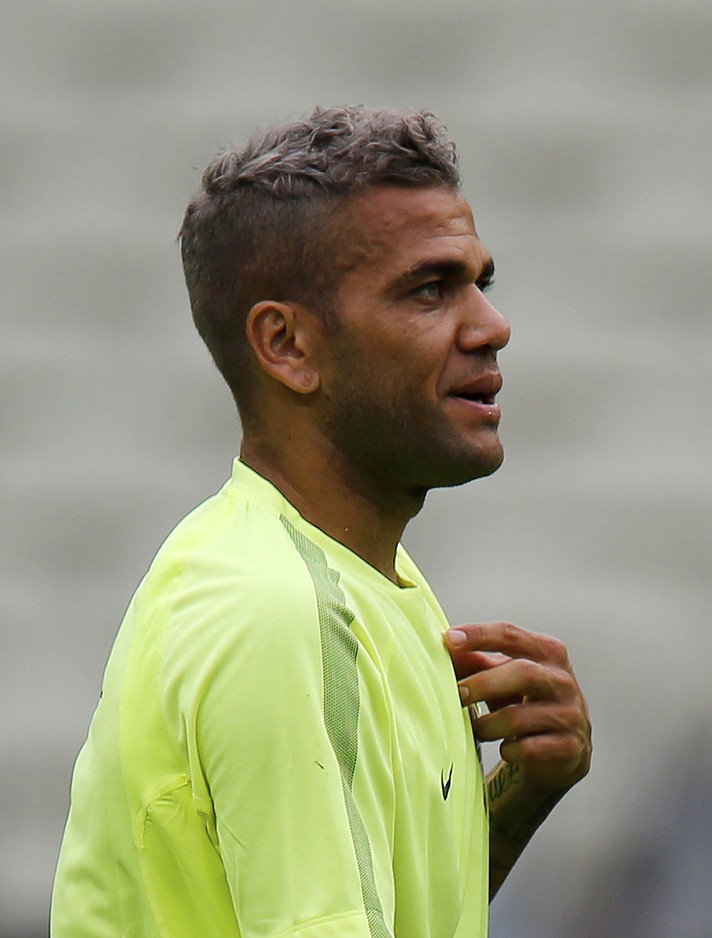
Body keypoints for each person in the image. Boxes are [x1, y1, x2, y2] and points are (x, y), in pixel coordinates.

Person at [52, 106, 592, 937]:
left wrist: (526, 791)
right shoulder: (274, 611)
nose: (492, 327)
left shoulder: (360, 580)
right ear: (288, 345)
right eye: (429, 289)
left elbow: (385, 904)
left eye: (479, 284)